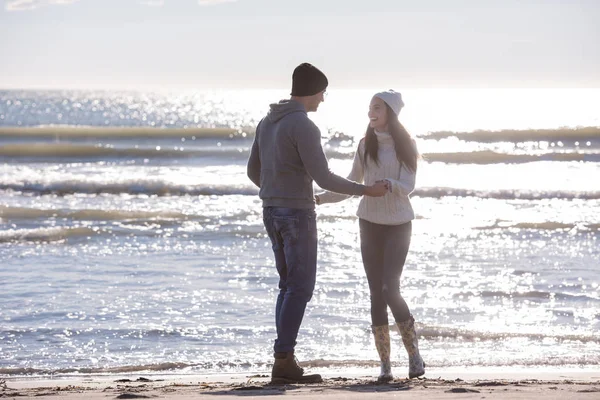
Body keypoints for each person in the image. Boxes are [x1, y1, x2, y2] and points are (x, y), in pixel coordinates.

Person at [247, 63, 388, 384]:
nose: (323, 99)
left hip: (271, 210)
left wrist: (276, 192)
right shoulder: (303, 125)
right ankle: (283, 361)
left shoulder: (267, 122)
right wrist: (367, 190)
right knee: (300, 287)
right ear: (313, 91)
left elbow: (254, 172)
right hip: (296, 214)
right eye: (323, 92)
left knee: (288, 286)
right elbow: (323, 176)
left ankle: (284, 359)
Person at [315, 90, 425, 381]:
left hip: (399, 223)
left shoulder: (407, 145)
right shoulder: (365, 145)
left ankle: (414, 355)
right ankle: (386, 365)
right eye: (369, 108)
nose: (371, 112)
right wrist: (321, 199)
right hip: (369, 223)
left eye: (376, 107)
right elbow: (352, 183)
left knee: (391, 288)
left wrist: (389, 184)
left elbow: (410, 184)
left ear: (390, 111)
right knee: (376, 294)